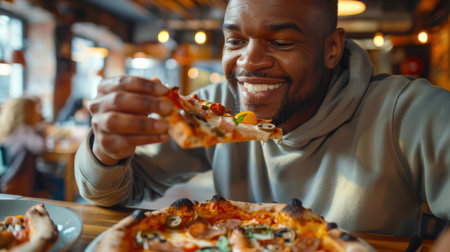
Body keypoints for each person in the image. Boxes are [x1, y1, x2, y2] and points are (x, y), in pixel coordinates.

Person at [74, 0, 450, 237]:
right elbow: (115, 192)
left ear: (332, 48)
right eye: (235, 41)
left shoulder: (408, 111)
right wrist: (107, 152)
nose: (249, 64)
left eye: (281, 42)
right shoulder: (213, 110)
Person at [0, 96, 47, 195]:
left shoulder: (8, 131)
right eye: (35, 110)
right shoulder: (25, 130)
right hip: (24, 180)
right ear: (28, 112)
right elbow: (40, 148)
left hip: (8, 176)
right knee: (58, 177)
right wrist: (43, 132)